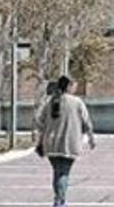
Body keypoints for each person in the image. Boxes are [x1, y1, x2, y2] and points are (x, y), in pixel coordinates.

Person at [34, 75, 95, 207]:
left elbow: (39, 121)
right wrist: (90, 137)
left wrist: (41, 137)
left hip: (51, 144)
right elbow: (86, 122)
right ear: (68, 86)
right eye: (74, 85)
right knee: (63, 172)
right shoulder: (77, 102)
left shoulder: (50, 101)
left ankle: (59, 199)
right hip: (69, 144)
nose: (75, 88)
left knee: (58, 171)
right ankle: (60, 200)